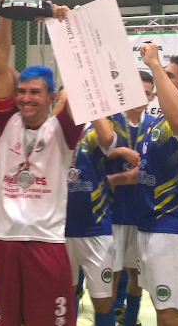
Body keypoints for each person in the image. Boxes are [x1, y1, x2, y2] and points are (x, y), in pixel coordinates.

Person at [0, 0, 86, 326]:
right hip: (3, 239)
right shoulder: (6, 122)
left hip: (46, 242)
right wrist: (5, 11)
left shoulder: (63, 129)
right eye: (22, 91)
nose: (26, 98)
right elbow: (0, 64)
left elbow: (81, 79)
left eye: (35, 92)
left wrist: (65, 27)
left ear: (51, 96)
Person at [112, 46, 178, 326]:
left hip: (174, 228)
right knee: (162, 310)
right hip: (151, 224)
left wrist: (153, 63)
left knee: (171, 313)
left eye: (169, 75)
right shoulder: (158, 122)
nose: (161, 78)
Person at [63, 85, 118, 326]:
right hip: (60, 229)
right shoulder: (56, 131)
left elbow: (108, 139)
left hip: (95, 228)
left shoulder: (94, 130)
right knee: (64, 296)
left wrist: (88, 96)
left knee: (103, 301)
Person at [105, 70, 156, 326]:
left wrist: (117, 178)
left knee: (136, 274)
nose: (139, 98)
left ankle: (130, 320)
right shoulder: (110, 121)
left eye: (145, 94)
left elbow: (151, 168)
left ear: (152, 97)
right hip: (113, 211)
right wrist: (121, 150)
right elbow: (97, 150)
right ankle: (108, 320)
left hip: (140, 212)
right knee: (111, 274)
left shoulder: (155, 126)